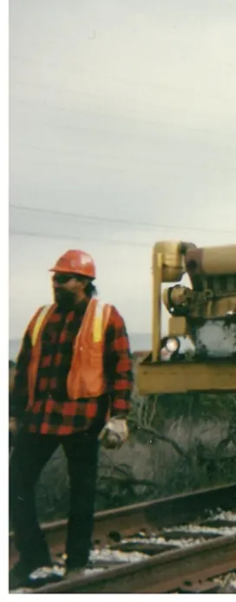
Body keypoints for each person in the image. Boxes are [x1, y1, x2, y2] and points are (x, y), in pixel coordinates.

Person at [9, 249, 133, 588]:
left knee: (81, 492)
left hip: (84, 418)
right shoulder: (41, 317)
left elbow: (122, 369)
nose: (56, 284)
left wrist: (120, 415)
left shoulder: (106, 317)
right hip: (41, 417)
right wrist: (13, 414)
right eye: (55, 278)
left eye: (63, 279)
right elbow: (23, 369)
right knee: (15, 483)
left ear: (83, 282)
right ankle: (32, 555)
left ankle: (76, 562)